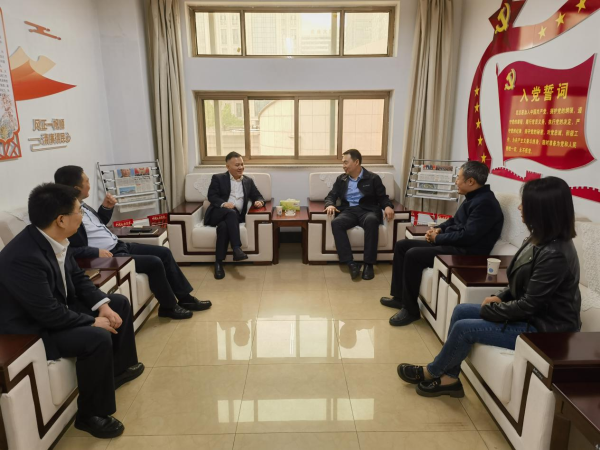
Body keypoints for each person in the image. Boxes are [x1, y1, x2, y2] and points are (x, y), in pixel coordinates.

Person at [397, 177, 581, 398]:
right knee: (461, 310)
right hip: (531, 316)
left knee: (464, 328)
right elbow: (520, 284)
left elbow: (530, 305)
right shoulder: (539, 239)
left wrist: (492, 310)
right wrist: (500, 297)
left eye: (525, 203)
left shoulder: (555, 254)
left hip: (544, 330)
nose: (519, 208)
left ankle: (433, 371)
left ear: (542, 209)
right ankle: (450, 378)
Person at [0, 183, 144, 438]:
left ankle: (118, 372)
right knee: (97, 337)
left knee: (117, 303)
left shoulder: (54, 238)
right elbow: (48, 314)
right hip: (33, 328)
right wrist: (91, 322)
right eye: (79, 211)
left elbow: (78, 278)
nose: (83, 215)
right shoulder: (23, 257)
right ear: (61, 219)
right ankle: (91, 415)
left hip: (57, 308)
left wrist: (103, 306)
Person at [54, 166, 211, 320]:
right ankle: (168, 307)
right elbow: (69, 249)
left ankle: (185, 298)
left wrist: (106, 208)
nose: (89, 185)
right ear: (76, 188)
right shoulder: (66, 216)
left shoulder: (82, 205)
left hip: (119, 245)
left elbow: (97, 226)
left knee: (164, 252)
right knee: (154, 262)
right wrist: (95, 252)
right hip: (108, 256)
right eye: (87, 181)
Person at [381, 161, 503, 326]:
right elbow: (454, 221)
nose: (456, 181)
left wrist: (437, 239)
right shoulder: (473, 197)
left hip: (466, 253)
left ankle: (411, 311)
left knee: (413, 254)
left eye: (458, 178)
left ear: (470, 181)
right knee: (402, 245)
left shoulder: (485, 204)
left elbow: (468, 236)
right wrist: (439, 229)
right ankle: (399, 297)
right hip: (456, 245)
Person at [325, 149, 395, 280]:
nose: (343, 166)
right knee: (336, 223)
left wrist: (387, 206)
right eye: (343, 163)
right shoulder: (341, 179)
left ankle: (369, 264)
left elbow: (382, 197)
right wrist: (330, 204)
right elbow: (331, 195)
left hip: (368, 211)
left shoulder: (373, 178)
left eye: (346, 162)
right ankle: (351, 263)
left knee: (372, 221)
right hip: (349, 211)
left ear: (356, 162)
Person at [204, 152, 265, 280]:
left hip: (235, 217)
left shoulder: (248, 181)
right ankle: (236, 247)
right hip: (217, 213)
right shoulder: (218, 178)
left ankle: (218, 263)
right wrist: (224, 204)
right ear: (228, 166)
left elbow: (258, 196)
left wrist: (259, 201)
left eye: (242, 164)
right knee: (230, 212)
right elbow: (212, 196)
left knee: (224, 227)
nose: (240, 167)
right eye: (237, 165)